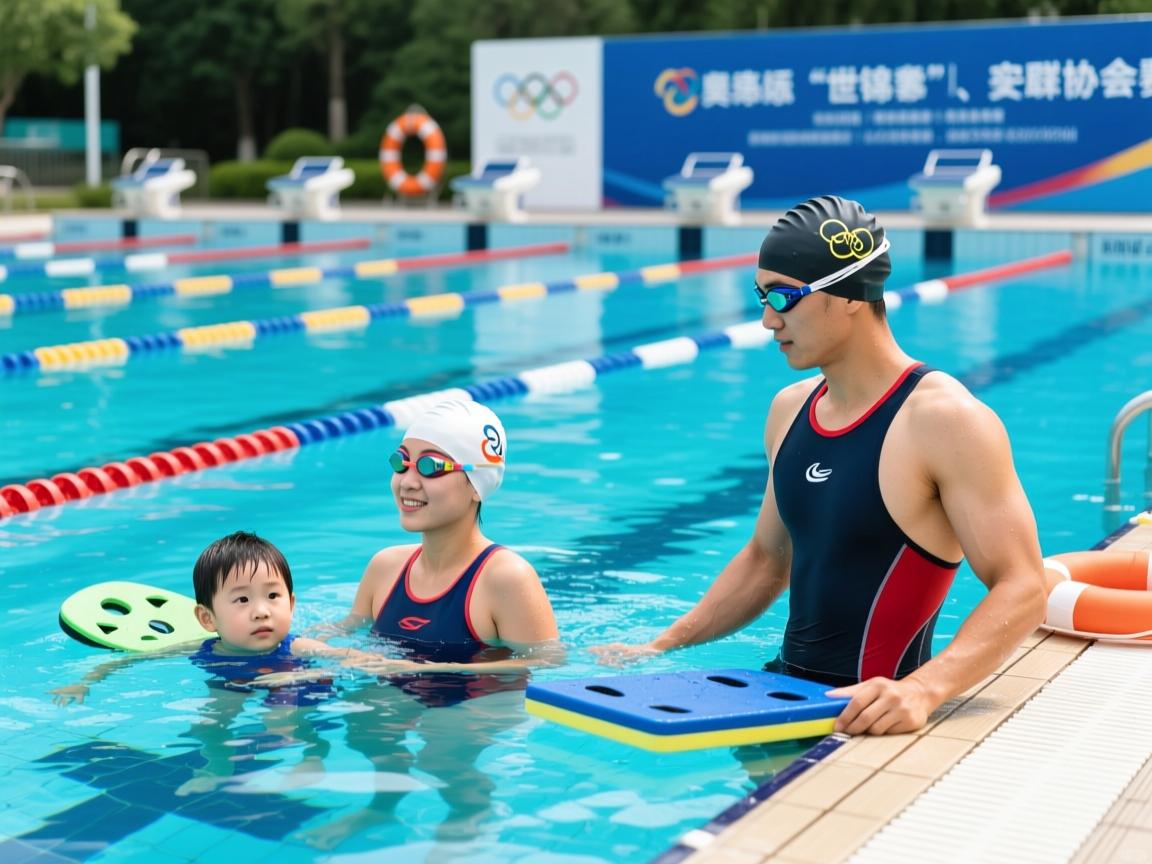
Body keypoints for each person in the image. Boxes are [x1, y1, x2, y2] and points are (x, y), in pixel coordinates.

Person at [592, 195, 1047, 736]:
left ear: (850, 294)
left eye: (784, 297)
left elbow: (1024, 586)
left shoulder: (943, 419)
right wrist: (661, 645)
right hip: (781, 697)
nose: (767, 319)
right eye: (762, 296)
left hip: (877, 715)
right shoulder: (790, 410)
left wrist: (924, 689)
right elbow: (766, 560)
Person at [51, 530, 359, 795]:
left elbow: (350, 657)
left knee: (280, 718)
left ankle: (313, 757)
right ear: (207, 618)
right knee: (208, 723)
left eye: (273, 596)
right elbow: (132, 659)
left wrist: (392, 666)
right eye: (242, 600)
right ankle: (216, 767)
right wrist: (85, 681)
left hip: (293, 682)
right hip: (234, 680)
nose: (262, 611)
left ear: (291, 604)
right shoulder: (203, 647)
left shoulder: (297, 646)